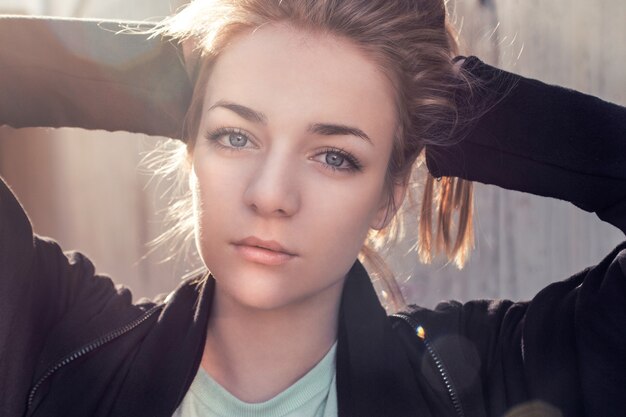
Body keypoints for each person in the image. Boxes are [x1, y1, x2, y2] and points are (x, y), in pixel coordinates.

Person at [1, 1, 625, 416]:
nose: (271, 195)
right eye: (235, 136)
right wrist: (156, 74)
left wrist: (448, 104)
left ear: (388, 196)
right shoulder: (55, 342)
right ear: (189, 146)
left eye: (335, 156)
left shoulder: (482, 386)